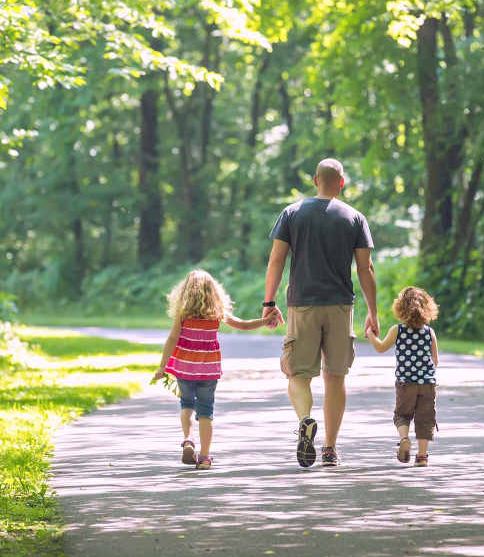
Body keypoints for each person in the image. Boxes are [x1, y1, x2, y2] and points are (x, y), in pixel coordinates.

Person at [262, 158, 377, 467]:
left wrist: (269, 303)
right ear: (341, 182)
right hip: (341, 306)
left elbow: (276, 261)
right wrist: (373, 312)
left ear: (315, 180)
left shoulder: (292, 214)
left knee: (298, 373)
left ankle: (305, 420)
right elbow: (365, 269)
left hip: (303, 304)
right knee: (335, 376)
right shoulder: (355, 218)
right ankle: (329, 448)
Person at [152, 269, 270, 470]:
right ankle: (205, 457)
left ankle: (188, 440)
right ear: (213, 291)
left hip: (185, 369)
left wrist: (163, 365)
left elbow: (172, 339)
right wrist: (265, 320)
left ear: (186, 292)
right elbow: (242, 325)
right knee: (206, 410)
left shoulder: (183, 314)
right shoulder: (217, 312)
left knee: (186, 404)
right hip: (208, 370)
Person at [365, 286, 439, 467]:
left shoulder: (397, 330)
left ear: (400, 308)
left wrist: (370, 335)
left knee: (402, 415)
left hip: (406, 383)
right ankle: (422, 456)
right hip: (427, 384)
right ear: (427, 308)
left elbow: (381, 348)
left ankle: (404, 438)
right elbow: (435, 360)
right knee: (425, 419)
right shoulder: (429, 332)